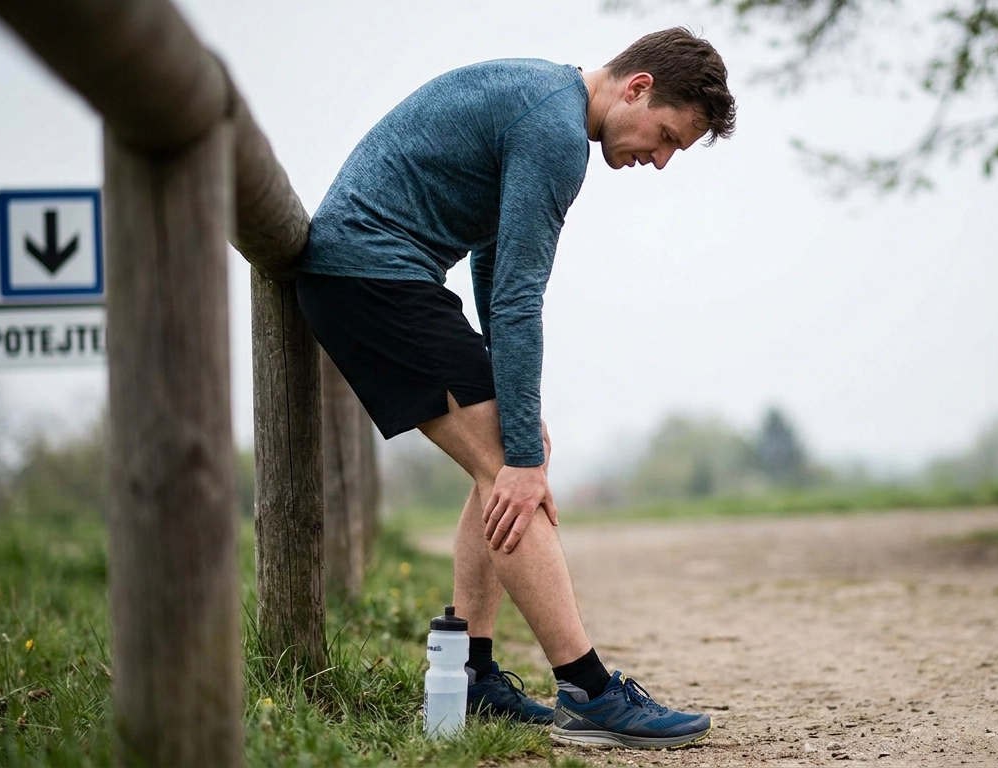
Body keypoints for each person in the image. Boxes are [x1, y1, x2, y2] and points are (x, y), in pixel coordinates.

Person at [295, 28, 736, 748]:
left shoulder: (546, 102)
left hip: (371, 273)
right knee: (509, 464)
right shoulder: (556, 132)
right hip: (370, 276)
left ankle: (470, 675)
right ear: (638, 87)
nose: (658, 161)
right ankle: (590, 693)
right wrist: (523, 452)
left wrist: (516, 418)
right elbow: (517, 298)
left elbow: (491, 258)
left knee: (504, 452)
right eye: (665, 138)